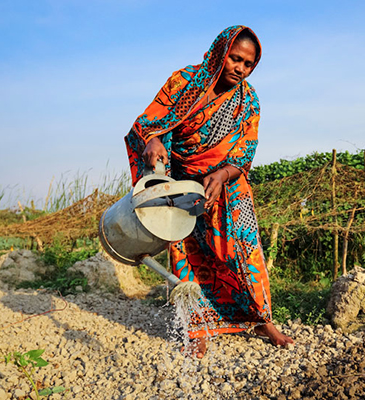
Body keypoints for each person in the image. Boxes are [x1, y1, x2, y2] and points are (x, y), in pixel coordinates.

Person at [125, 25, 294, 358]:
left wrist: (224, 172)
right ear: (220, 52)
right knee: (186, 251)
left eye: (248, 64)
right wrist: (154, 139)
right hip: (181, 184)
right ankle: (196, 325)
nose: (240, 68)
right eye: (235, 58)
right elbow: (147, 124)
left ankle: (260, 319)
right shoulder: (184, 82)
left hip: (228, 182)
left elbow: (246, 150)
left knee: (245, 249)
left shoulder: (249, 100)